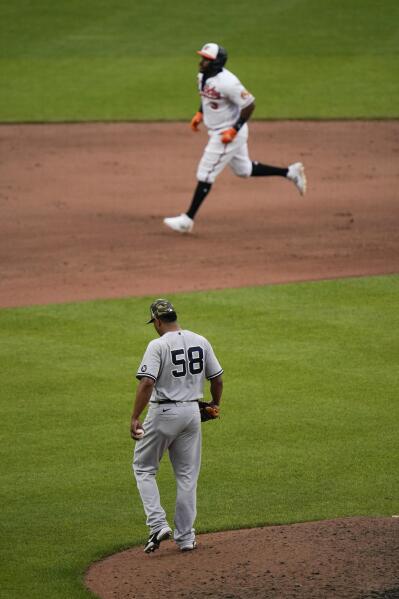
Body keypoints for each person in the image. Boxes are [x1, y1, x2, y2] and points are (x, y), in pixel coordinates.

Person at [164, 42, 307, 234]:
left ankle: (187, 220)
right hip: (219, 130)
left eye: (206, 60)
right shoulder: (202, 76)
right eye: (202, 58)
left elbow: (249, 105)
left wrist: (234, 129)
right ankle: (290, 172)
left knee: (205, 173)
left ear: (215, 63)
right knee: (244, 170)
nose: (201, 62)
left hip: (226, 134)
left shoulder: (228, 82)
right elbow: (206, 97)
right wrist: (200, 114)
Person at [131, 298, 223, 553]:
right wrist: (214, 403)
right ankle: (185, 538)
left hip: (163, 412)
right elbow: (217, 378)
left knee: (143, 468)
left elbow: (147, 383)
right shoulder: (200, 340)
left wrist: (135, 416)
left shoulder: (157, 344)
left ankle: (157, 523)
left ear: (157, 321)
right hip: (192, 413)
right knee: (186, 477)